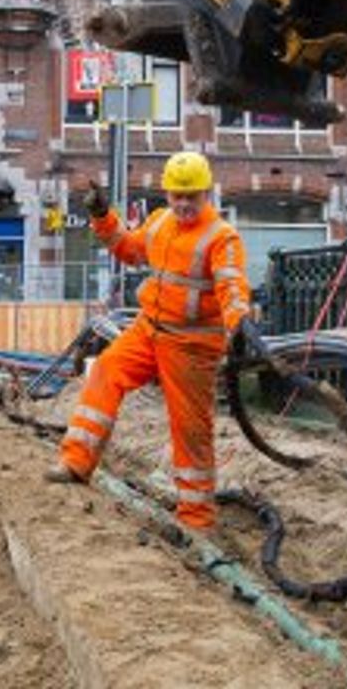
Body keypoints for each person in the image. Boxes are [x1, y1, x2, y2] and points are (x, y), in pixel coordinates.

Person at [46, 151, 256, 532]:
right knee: (106, 370)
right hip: (149, 329)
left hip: (192, 346)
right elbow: (127, 248)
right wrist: (101, 216)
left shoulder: (221, 236)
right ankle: (76, 461)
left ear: (206, 192)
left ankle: (196, 518)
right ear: (167, 194)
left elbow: (231, 286)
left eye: (191, 196)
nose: (183, 203)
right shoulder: (160, 223)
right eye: (177, 195)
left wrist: (240, 320)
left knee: (189, 429)